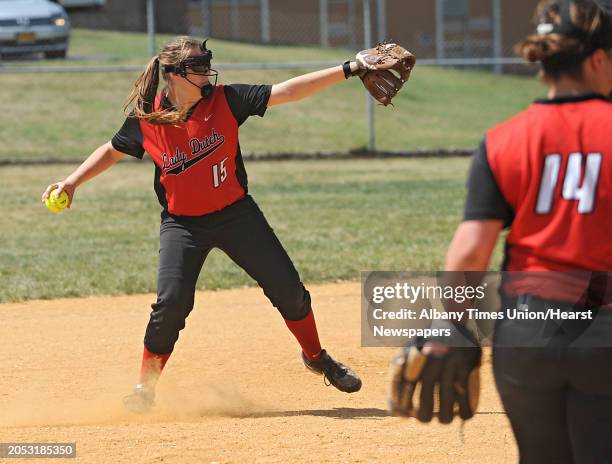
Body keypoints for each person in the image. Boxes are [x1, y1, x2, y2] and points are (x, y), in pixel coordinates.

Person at [41, 36, 370, 412]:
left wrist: (351, 68)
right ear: (174, 75)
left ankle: (317, 358)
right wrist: (71, 181)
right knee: (171, 305)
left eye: (205, 63)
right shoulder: (147, 118)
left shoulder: (226, 100)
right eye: (197, 67)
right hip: (183, 226)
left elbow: (289, 91)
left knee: (289, 290)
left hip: (236, 215)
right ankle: (144, 390)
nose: (206, 72)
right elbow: (112, 150)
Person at [443, 0, 611, 462]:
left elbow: (469, 255)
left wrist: (452, 329)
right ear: (598, 60)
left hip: (525, 334)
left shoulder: (503, 139)